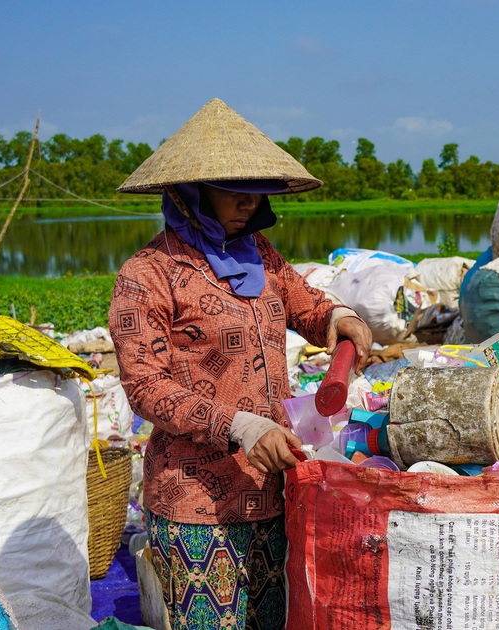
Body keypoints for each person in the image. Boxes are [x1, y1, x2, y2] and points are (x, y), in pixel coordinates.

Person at [108, 98, 372, 630]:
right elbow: (146, 388)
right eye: (234, 190)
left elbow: (305, 302)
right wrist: (241, 425)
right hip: (197, 503)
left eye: (256, 192)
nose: (249, 203)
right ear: (189, 195)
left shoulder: (260, 255)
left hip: (274, 488)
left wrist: (340, 318)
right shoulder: (146, 275)